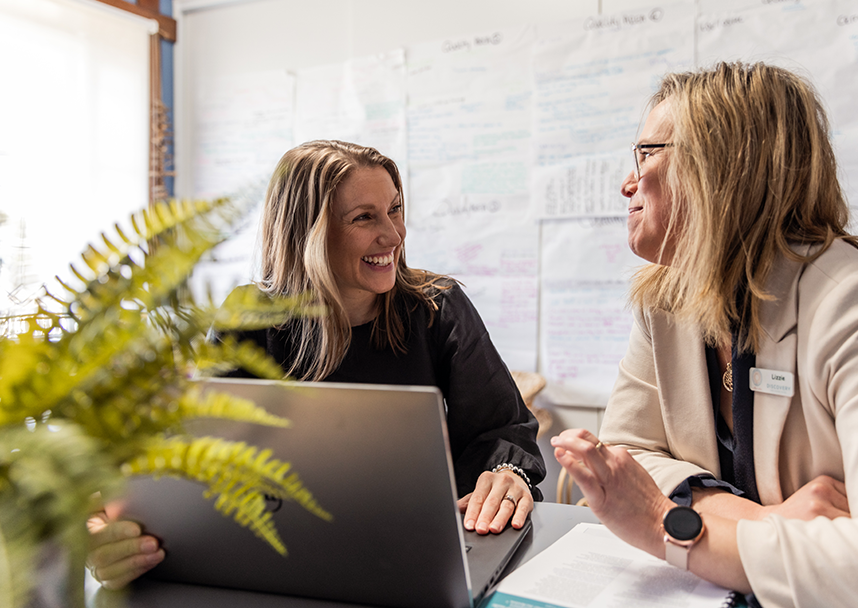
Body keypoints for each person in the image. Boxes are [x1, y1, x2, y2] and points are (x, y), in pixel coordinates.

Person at [87, 140, 545, 589]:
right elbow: (202, 455)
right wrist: (112, 529)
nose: (393, 234)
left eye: (395, 209)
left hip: (418, 559)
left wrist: (507, 474)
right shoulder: (248, 315)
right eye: (364, 217)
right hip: (275, 559)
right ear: (306, 231)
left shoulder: (437, 306)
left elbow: (502, 429)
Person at [552, 61, 858, 608]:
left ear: (720, 169)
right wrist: (757, 520)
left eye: (646, 155)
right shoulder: (665, 299)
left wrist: (667, 525)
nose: (628, 183)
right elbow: (609, 464)